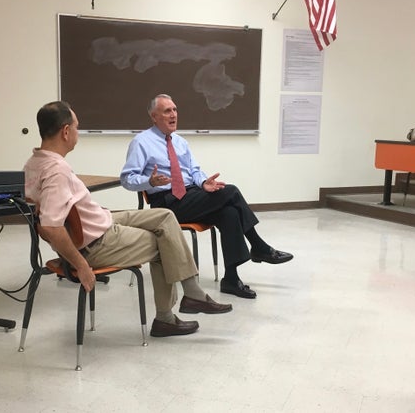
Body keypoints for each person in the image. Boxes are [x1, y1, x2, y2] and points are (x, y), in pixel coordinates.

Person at [24, 101, 232, 339]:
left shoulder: (34, 163)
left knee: (165, 216)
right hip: (96, 241)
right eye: (77, 127)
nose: (78, 133)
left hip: (98, 220)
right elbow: (51, 227)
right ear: (65, 131)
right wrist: (81, 265)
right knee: (164, 243)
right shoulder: (56, 170)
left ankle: (192, 294)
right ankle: (167, 317)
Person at [120, 94, 293, 299]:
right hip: (167, 204)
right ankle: (258, 246)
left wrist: (203, 183)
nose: (173, 114)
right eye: (167, 111)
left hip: (191, 195)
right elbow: (126, 179)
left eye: (175, 110)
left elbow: (194, 170)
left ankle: (231, 279)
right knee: (232, 191)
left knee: (229, 213)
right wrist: (150, 182)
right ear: (153, 116)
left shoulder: (181, 142)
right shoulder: (141, 142)